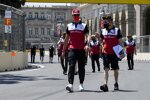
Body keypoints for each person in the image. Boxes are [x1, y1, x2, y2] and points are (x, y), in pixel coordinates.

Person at [62, 8, 89, 92]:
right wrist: (63, 50)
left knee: (81, 68)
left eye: (77, 15)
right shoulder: (69, 26)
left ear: (79, 15)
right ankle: (70, 84)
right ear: (72, 16)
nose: (76, 17)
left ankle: (81, 84)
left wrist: (87, 45)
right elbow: (66, 39)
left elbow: (88, 36)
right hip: (72, 49)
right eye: (74, 15)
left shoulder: (84, 26)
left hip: (81, 50)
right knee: (71, 66)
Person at [95, 14, 124, 92]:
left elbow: (120, 42)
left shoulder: (117, 30)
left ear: (111, 21)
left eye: (107, 21)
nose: (105, 22)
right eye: (105, 21)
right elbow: (101, 41)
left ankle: (116, 83)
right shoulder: (103, 30)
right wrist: (98, 37)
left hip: (115, 52)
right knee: (106, 69)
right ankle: (105, 85)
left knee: (115, 69)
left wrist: (120, 53)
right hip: (106, 52)